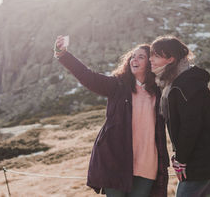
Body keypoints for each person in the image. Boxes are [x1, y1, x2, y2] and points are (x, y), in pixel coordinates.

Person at [53, 35, 169, 197]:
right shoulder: (117, 86)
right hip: (116, 162)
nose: (134, 59)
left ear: (150, 63)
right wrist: (63, 54)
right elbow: (87, 76)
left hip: (147, 164)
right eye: (132, 56)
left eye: (141, 57)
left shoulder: (160, 90)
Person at [149, 36, 210, 197]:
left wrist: (181, 159)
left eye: (156, 55)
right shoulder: (177, 82)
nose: (150, 59)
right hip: (199, 158)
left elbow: (191, 126)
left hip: (198, 160)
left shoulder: (184, 85)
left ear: (170, 59)